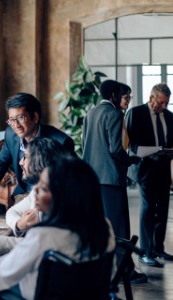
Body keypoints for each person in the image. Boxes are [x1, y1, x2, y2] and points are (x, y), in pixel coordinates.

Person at [0, 156, 115, 299]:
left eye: (44, 188)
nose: (35, 191)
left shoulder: (44, 236)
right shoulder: (103, 228)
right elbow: (35, 249)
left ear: (65, 197)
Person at [82, 80, 145, 283]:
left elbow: (85, 145)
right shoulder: (115, 114)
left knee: (101, 226)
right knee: (119, 228)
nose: (127, 100)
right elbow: (116, 150)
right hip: (110, 179)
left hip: (92, 179)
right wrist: (132, 160)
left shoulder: (90, 113)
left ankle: (103, 269)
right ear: (113, 96)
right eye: (125, 96)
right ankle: (125, 271)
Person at [0, 138, 68, 256]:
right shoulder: (37, 191)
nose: (20, 162)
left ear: (40, 160)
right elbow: (12, 211)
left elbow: (38, 247)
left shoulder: (60, 200)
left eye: (25, 157)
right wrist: (19, 224)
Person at [0, 93, 75, 197]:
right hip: (24, 191)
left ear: (35, 117)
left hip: (51, 197)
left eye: (21, 117)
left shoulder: (61, 142)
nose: (16, 125)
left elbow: (69, 182)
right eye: (12, 120)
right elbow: (1, 164)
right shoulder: (10, 134)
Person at [126, 83, 173, 267]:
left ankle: (158, 248)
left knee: (162, 209)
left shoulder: (169, 116)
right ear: (152, 97)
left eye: (166, 103)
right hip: (145, 168)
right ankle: (145, 253)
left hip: (163, 167)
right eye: (160, 102)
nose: (163, 106)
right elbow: (130, 144)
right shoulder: (136, 113)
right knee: (147, 209)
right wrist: (148, 151)